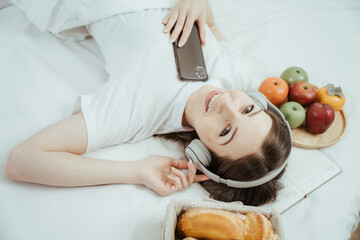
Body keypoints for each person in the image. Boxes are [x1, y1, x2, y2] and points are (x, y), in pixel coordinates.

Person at [6, 0, 291, 206]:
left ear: (201, 153)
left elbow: (22, 160)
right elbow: (210, 21)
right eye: (247, 109)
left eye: (225, 131)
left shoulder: (138, 108)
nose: (226, 105)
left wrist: (137, 171)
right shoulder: (237, 73)